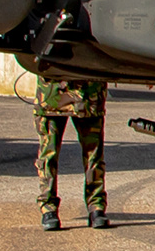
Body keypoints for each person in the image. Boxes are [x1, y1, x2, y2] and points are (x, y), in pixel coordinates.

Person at [32, 69, 107, 231]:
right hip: (52, 93)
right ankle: (48, 207)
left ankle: (96, 207)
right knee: (48, 156)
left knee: (93, 155)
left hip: (89, 92)